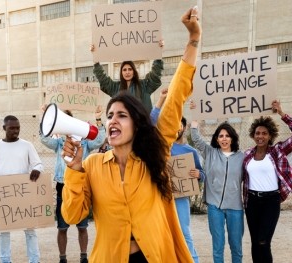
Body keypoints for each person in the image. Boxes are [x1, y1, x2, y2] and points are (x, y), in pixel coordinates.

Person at [61, 6, 201, 262]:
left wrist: (193, 39)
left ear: (137, 124)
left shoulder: (154, 155)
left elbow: (177, 94)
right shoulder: (92, 166)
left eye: (121, 115)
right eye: (110, 115)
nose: (112, 120)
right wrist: (75, 171)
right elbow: (72, 216)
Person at [40, 106, 105, 263]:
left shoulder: (84, 142)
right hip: (63, 185)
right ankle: (63, 258)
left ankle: (83, 257)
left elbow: (99, 140)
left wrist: (98, 120)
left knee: (82, 226)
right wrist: (44, 118)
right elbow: (44, 138)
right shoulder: (59, 143)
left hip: (81, 185)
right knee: (62, 226)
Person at [150, 88, 205, 263]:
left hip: (180, 198)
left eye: (180, 124)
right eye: (173, 123)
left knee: (184, 232)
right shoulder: (159, 145)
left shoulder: (190, 151)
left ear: (183, 127)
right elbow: (151, 122)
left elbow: (201, 174)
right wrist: (161, 100)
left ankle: (193, 260)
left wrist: (198, 174)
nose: (177, 127)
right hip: (161, 196)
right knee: (161, 232)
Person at [0, 115, 43, 263]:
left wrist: (37, 169)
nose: (15, 131)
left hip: (24, 193)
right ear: (4, 128)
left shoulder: (27, 145)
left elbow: (38, 164)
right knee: (3, 231)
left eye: (18, 128)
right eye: (12, 128)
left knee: (30, 230)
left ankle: (34, 260)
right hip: (3, 194)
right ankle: (5, 260)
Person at [242, 100, 292, 263]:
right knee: (256, 243)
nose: (260, 136)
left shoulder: (277, 151)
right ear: (253, 135)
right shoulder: (247, 154)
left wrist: (282, 114)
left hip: (271, 200)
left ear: (270, 135)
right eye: (257, 133)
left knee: (264, 241)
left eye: (264, 133)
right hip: (252, 201)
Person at [190, 118, 244, 263]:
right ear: (216, 139)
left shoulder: (242, 157)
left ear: (233, 138)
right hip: (215, 207)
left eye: (227, 136)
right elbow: (196, 138)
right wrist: (195, 117)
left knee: (236, 247)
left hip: (235, 208)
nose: (224, 139)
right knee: (218, 247)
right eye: (221, 136)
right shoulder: (210, 153)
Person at [90, 42, 164, 112]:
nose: (127, 72)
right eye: (124, 70)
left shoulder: (144, 85)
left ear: (134, 72)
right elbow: (103, 79)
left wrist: (158, 54)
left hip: (141, 124)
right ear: (121, 73)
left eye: (130, 69)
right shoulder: (115, 88)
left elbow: (155, 75)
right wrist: (96, 61)